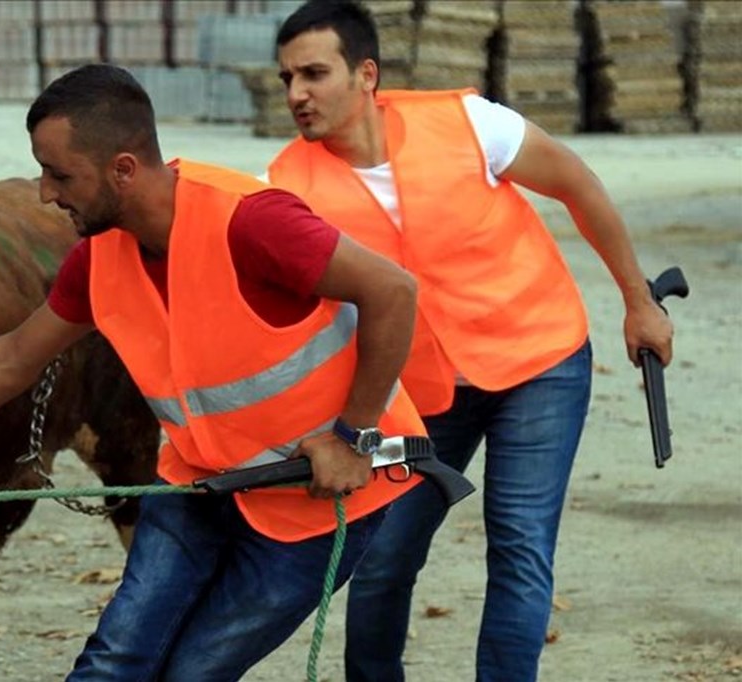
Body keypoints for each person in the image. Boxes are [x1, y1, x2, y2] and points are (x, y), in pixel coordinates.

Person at [0, 63, 429, 680]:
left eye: (60, 175)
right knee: (114, 662)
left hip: (319, 500)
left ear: (123, 170)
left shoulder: (252, 221)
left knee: (192, 672)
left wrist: (355, 438)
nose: (46, 194)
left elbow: (393, 292)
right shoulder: (98, 257)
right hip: (198, 484)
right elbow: (9, 361)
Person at [265, 2, 676, 680]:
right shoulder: (285, 187)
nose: (296, 94)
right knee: (384, 558)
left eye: (313, 73)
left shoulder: (468, 122)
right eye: (285, 79)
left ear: (366, 73)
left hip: (537, 363)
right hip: (417, 395)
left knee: (518, 545)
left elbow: (577, 184)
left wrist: (638, 301)